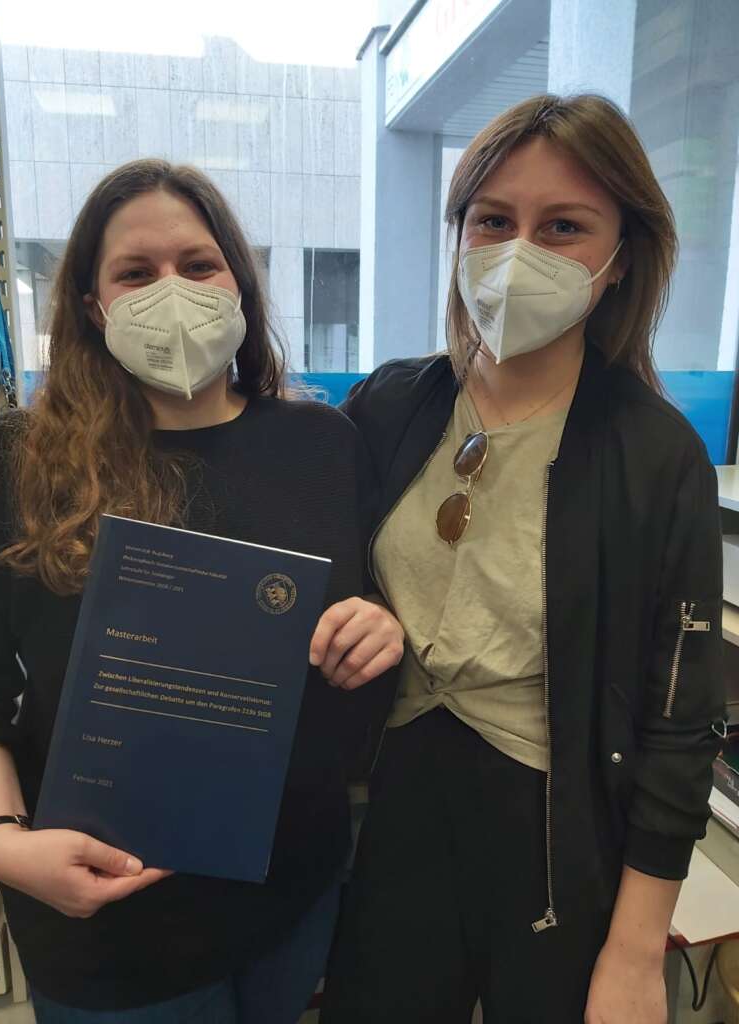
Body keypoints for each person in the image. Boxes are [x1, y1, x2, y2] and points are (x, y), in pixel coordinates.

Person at [320, 93, 726, 1024]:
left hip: (556, 840)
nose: (518, 252)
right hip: (396, 809)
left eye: (564, 227)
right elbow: (325, 574)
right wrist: (356, 611)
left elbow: (680, 725)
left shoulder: (656, 457)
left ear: (622, 259)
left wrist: (635, 955)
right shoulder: (389, 407)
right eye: (494, 221)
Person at [0, 159, 403, 1022]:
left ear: (239, 284)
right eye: (136, 273)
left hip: (289, 899)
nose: (172, 290)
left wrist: (379, 631)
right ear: (94, 307)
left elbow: (360, 631)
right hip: (108, 927)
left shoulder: (324, 445)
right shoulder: (17, 462)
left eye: (198, 265)